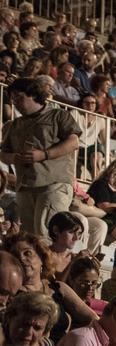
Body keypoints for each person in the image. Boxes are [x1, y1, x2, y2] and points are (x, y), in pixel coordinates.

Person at [0, 76, 82, 236]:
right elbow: (3, 154)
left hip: (54, 183)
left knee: (47, 233)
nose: (15, 102)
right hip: (25, 186)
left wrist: (44, 154)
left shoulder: (58, 115)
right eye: (12, 99)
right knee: (30, 237)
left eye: (19, 97)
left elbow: (73, 142)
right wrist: (14, 158)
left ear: (34, 94)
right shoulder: (15, 124)